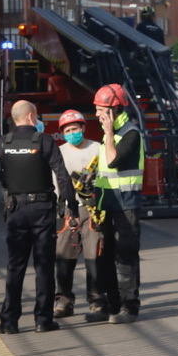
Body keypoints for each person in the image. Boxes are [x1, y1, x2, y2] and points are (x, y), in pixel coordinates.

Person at [0, 101, 77, 334]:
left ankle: (9, 321)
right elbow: (62, 176)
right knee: (43, 266)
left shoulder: (4, 143)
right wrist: (69, 205)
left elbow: (4, 177)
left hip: (15, 209)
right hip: (41, 209)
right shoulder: (44, 141)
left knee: (15, 266)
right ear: (32, 117)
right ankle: (43, 319)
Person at [88, 83, 145, 324]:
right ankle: (110, 304)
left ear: (114, 110)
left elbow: (112, 161)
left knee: (125, 257)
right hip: (107, 206)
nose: (97, 115)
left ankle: (128, 306)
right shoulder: (109, 135)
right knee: (105, 256)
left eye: (101, 110)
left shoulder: (130, 134)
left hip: (126, 206)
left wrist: (109, 133)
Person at [53, 109, 104, 319]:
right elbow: (55, 182)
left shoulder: (97, 148)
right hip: (68, 210)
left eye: (75, 128)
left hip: (93, 209)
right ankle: (64, 301)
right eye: (67, 130)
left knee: (94, 256)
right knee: (64, 258)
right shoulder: (59, 152)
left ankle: (97, 300)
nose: (71, 132)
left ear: (83, 128)